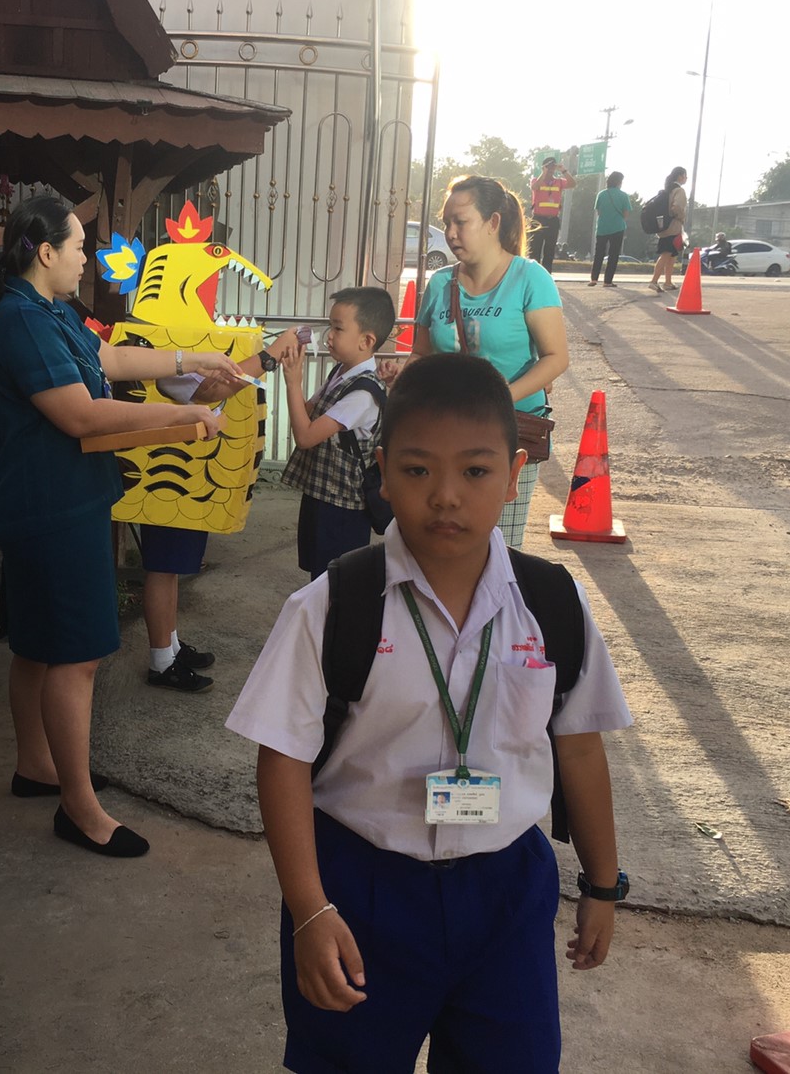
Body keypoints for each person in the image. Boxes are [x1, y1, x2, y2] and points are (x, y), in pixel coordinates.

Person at [226, 352, 633, 1074]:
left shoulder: (552, 605)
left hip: (506, 889)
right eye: (417, 470)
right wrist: (311, 909)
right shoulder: (332, 606)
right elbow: (282, 757)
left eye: (475, 471)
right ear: (382, 471)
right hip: (361, 887)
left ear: (513, 474)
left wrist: (602, 885)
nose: (446, 496)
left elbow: (578, 746)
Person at [0, 193, 240, 858]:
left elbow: (112, 361)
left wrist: (192, 361)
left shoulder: (48, 310)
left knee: (38, 646)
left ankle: (37, 765)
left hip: (51, 501)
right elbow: (83, 415)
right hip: (55, 507)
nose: (86, 258)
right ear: (45, 252)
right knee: (78, 655)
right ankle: (80, 808)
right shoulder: (24, 320)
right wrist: (182, 417)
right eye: (79, 247)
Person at [383, 175, 569, 550]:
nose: (450, 233)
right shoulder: (440, 283)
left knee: (500, 547)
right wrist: (402, 374)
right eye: (447, 222)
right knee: (441, 537)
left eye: (461, 222)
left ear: (492, 222)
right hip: (444, 432)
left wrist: (499, 397)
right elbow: (422, 353)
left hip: (508, 431)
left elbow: (556, 358)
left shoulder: (530, 278)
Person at [140, 328, 302, 693]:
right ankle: (160, 661)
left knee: (171, 568)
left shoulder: (182, 344)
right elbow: (211, 391)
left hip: (186, 476)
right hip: (168, 476)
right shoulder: (163, 345)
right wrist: (268, 356)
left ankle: (170, 645)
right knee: (162, 567)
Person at [277, 287, 393, 580]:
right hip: (321, 495)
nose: (329, 336)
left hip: (343, 509)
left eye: (338, 328)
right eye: (330, 326)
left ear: (367, 340)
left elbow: (305, 436)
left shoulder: (363, 395)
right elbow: (306, 412)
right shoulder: (340, 373)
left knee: (335, 582)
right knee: (319, 576)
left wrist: (293, 383)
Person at [528, 155, 576, 273]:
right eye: (548, 167)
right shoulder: (536, 180)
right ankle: (533, 275)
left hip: (553, 220)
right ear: (543, 167)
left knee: (549, 251)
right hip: (538, 220)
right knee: (535, 250)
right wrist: (543, 173)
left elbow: (573, 184)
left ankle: (547, 275)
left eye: (552, 167)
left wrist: (563, 170)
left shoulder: (558, 182)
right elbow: (535, 187)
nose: (550, 169)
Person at [589, 171, 633, 287]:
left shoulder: (601, 194)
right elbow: (626, 214)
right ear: (619, 182)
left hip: (602, 228)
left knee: (599, 253)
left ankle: (594, 279)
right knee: (613, 255)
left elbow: (599, 211)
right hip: (617, 227)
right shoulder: (624, 196)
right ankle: (607, 281)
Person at [650, 166, 689, 293]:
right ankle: (654, 281)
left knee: (672, 255)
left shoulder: (667, 190)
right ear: (680, 176)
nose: (686, 178)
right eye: (685, 176)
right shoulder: (679, 191)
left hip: (663, 226)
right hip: (673, 227)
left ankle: (668, 282)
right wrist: (681, 218)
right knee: (666, 254)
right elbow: (677, 207)